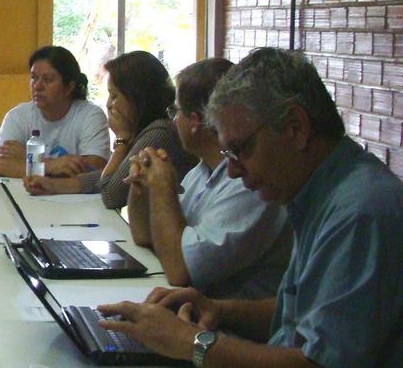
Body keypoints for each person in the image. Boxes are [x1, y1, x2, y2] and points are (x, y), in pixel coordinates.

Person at [98, 48, 403, 367]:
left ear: (296, 127)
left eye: (241, 149)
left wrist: (190, 342)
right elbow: (301, 314)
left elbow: (320, 363)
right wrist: (217, 309)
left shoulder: (358, 212)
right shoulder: (320, 190)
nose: (231, 171)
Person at [125, 58, 291, 299]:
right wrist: (141, 187)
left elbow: (179, 271)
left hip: (234, 326)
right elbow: (146, 236)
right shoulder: (202, 170)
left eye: (176, 111)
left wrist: (162, 188)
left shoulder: (248, 183)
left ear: (194, 121)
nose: (173, 121)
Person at [25, 50, 195, 209]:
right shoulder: (147, 129)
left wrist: (121, 139)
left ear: (136, 98)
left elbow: (111, 193)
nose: (108, 104)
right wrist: (53, 185)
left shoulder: (159, 133)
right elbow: (114, 177)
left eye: (114, 96)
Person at [0, 45, 109, 181]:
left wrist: (30, 159)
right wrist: (51, 165)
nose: (37, 86)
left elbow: (94, 168)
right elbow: (0, 166)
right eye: (34, 78)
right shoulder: (17, 116)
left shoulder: (91, 115)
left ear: (69, 86)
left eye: (47, 79)